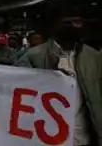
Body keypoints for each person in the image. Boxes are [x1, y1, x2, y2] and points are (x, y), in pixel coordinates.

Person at [15, 9, 102, 146]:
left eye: (77, 22)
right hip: (47, 139)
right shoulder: (34, 56)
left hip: (85, 139)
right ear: (54, 25)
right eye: (66, 22)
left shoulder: (93, 57)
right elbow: (8, 86)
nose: (72, 26)